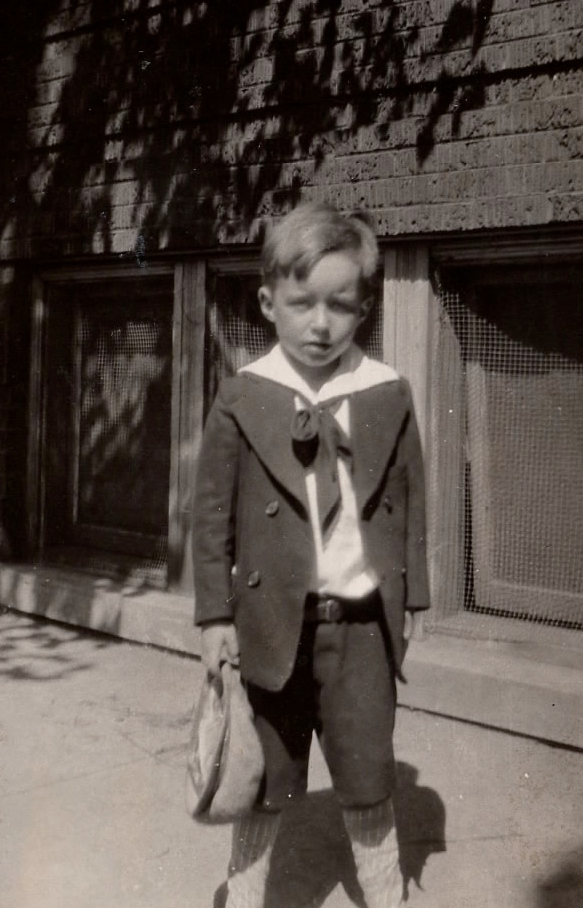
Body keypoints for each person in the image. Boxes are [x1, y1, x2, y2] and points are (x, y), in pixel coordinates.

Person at [192, 201, 430, 908]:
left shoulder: (385, 392)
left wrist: (414, 596)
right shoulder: (243, 396)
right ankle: (244, 895)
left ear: (365, 308)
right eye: (302, 304)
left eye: (340, 305)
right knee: (264, 776)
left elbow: (411, 498)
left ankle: (388, 895)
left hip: (360, 625)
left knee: (366, 773)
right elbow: (211, 516)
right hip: (272, 623)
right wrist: (214, 617)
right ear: (270, 303)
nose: (321, 324)